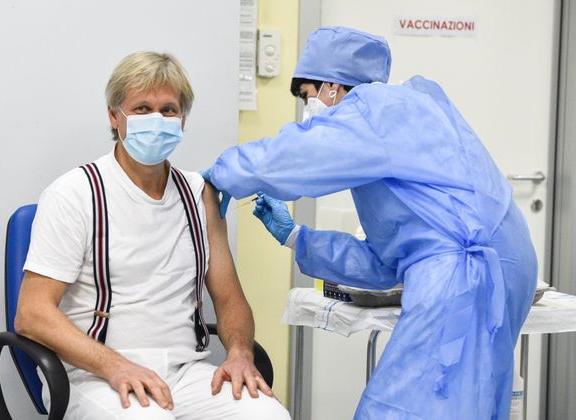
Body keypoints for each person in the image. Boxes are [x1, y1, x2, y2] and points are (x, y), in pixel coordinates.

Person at [202, 27, 537, 419]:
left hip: (466, 275)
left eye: (308, 96)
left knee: (403, 409)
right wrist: (295, 237)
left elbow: (296, 156)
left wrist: (221, 172)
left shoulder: (375, 109)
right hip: (501, 263)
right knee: (466, 403)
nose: (309, 111)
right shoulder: (403, 122)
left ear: (332, 87)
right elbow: (385, 263)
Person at [15, 51, 291, 420]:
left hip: (184, 372)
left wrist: (240, 354)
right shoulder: (75, 194)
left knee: (268, 415)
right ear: (115, 116)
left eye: (168, 110)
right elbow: (31, 315)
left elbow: (229, 298)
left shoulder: (200, 194)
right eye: (142, 109)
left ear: (183, 121)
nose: (156, 120)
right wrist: (116, 366)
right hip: (92, 376)